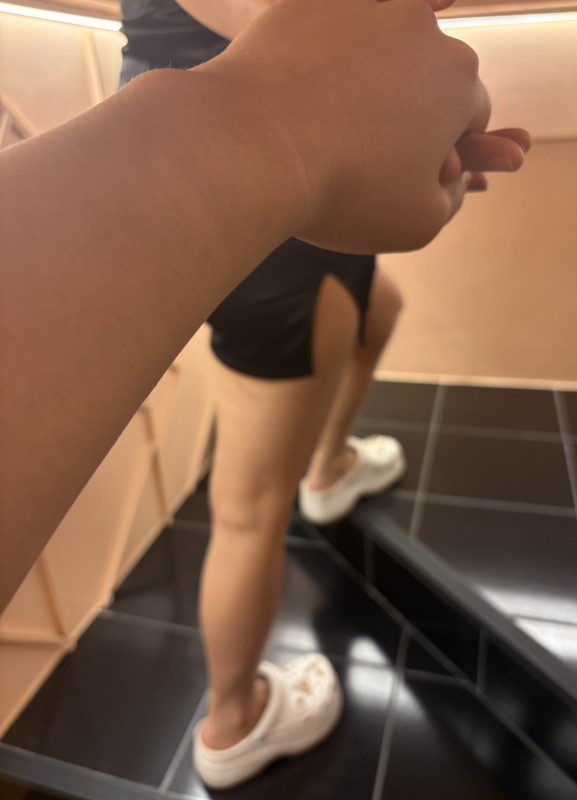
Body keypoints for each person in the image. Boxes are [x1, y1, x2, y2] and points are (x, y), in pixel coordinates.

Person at [0, 0, 529, 784]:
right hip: (274, 219)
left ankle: (331, 464)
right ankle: (233, 722)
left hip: (242, 180)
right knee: (250, 508)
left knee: (377, 311)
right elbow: (297, 27)